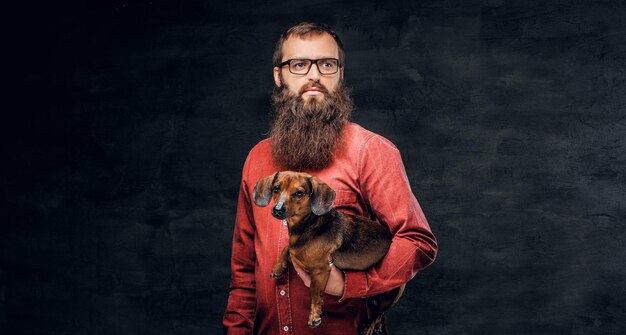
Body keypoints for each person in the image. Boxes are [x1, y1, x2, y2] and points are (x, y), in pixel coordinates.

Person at [223, 22, 437, 335]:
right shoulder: (257, 158)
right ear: (278, 75)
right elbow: (244, 272)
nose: (314, 75)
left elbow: (417, 241)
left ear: (339, 73)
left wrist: (352, 284)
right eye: (299, 64)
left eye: (326, 64)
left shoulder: (371, 151)